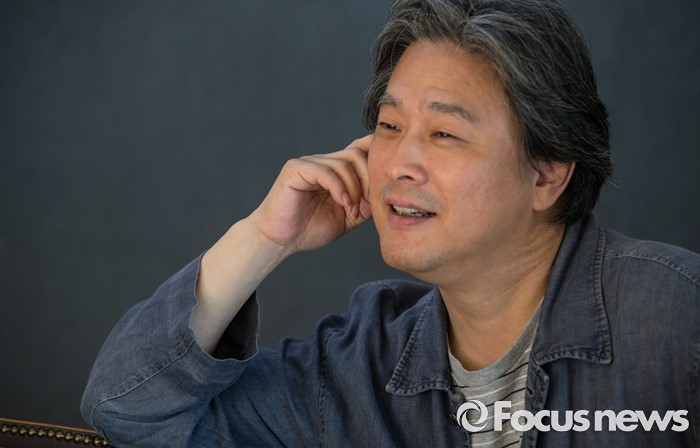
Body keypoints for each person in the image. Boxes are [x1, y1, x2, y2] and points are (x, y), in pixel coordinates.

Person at [81, 0, 700, 446]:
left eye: (445, 133)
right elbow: (126, 410)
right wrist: (263, 238)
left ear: (547, 174)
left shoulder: (675, 317)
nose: (399, 162)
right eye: (389, 125)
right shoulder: (359, 369)